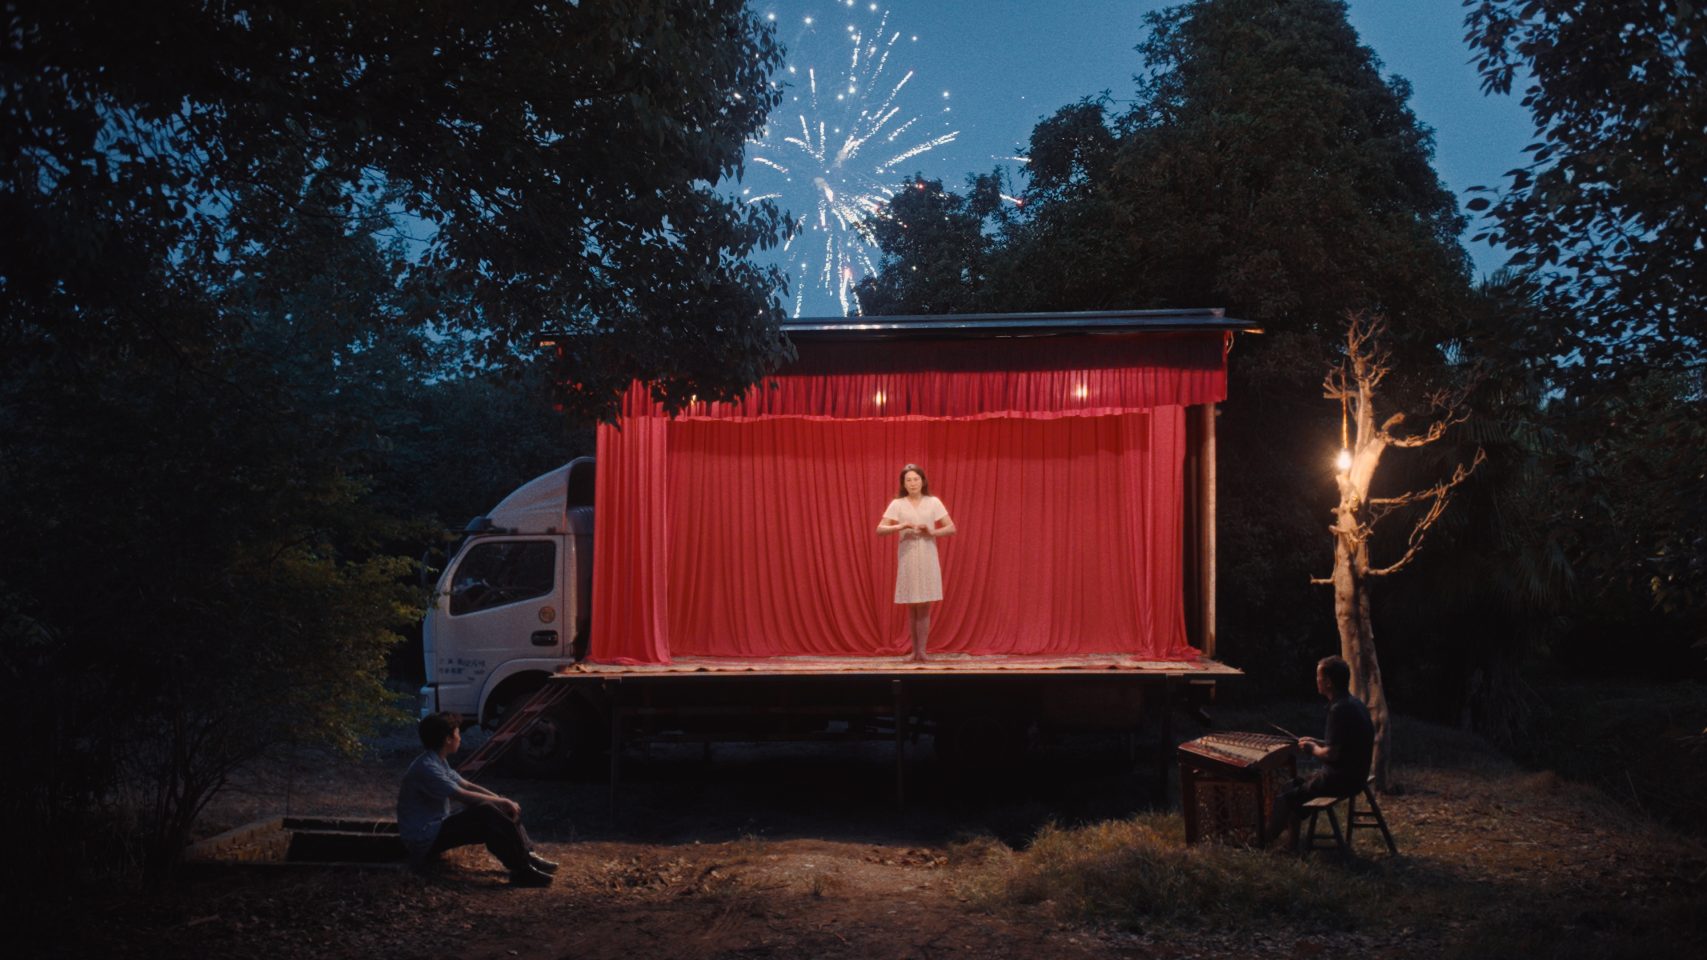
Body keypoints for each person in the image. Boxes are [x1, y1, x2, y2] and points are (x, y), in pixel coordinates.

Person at [397, 712, 559, 886]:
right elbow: (461, 795)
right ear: (447, 739)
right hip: (423, 838)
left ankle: (527, 856)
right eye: (458, 733)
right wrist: (500, 803)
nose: (460, 737)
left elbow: (466, 785)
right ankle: (522, 869)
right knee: (487, 811)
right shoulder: (427, 768)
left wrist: (499, 800)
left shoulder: (437, 760)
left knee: (495, 806)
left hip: (435, 828)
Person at [875, 463, 956, 661]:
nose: (913, 483)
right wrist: (901, 525)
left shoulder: (933, 502)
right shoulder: (898, 504)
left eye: (916, 479)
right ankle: (914, 651)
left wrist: (932, 532)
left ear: (923, 481)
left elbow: (951, 527)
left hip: (928, 554)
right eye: (908, 480)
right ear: (903, 483)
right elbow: (880, 529)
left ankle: (923, 651)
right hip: (908, 556)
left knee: (925, 605)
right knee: (912, 605)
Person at [1280, 655, 1376, 821]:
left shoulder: (1338, 709)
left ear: (1329, 682)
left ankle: (1264, 841)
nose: (1316, 680)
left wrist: (1312, 749)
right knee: (1292, 786)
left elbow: (1332, 754)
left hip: (1342, 780)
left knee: (1285, 799)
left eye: (1319, 677)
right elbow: (1345, 744)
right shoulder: (1354, 703)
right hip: (1356, 775)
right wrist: (1319, 742)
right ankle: (1291, 843)